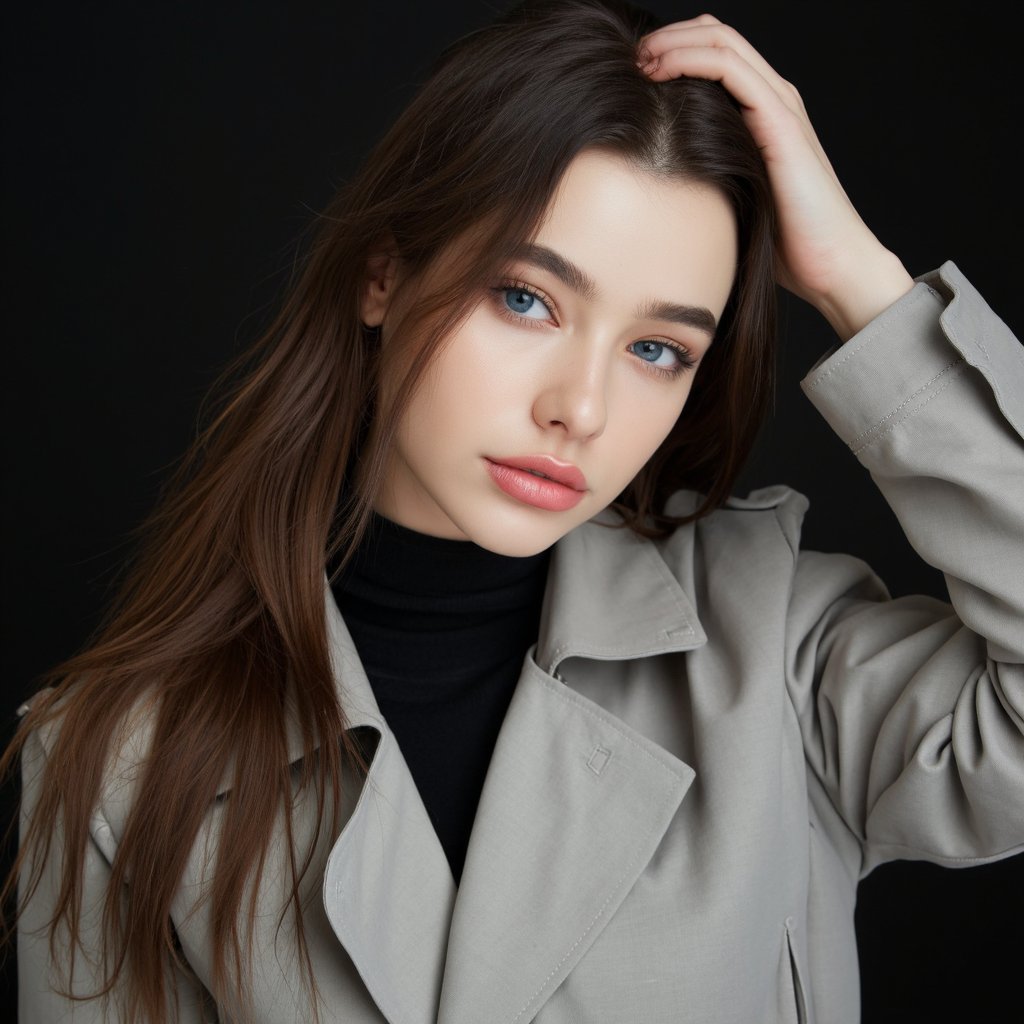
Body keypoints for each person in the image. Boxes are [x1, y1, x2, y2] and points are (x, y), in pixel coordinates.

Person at [3, 0, 1022, 1021]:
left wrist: (864, 286)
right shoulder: (115, 768)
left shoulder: (776, 656)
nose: (579, 408)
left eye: (655, 349)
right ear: (383, 274)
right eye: (527, 298)